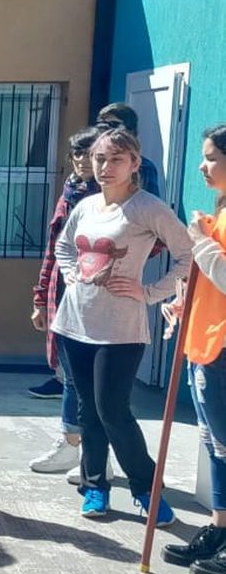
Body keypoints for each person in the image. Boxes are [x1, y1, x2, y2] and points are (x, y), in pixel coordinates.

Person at [51, 127, 191, 521]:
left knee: (113, 410)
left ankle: (147, 489)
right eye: (99, 159)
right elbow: (64, 245)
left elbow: (188, 256)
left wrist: (149, 292)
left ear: (134, 163)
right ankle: (94, 486)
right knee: (87, 410)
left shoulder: (148, 208)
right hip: (73, 323)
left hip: (121, 330)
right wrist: (70, 273)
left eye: (116, 159)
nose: (105, 167)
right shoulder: (88, 205)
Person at [161, 123, 226, 574]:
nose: (202, 166)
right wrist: (185, 300)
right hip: (203, 341)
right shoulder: (220, 211)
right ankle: (220, 529)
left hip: (222, 347)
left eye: (210, 157)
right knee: (215, 446)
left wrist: (200, 241)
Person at [27, 126, 101, 474]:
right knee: (70, 376)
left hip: (102, 299)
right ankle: (73, 446)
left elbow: (155, 242)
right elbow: (53, 248)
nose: (85, 161)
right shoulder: (70, 192)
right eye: (79, 154)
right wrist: (41, 297)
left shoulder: (115, 199)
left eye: (92, 154)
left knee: (95, 381)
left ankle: (95, 452)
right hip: (64, 293)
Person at [97, 103, 162, 198]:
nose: (105, 129)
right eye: (101, 124)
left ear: (130, 129)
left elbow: (150, 205)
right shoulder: (89, 160)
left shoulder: (144, 167)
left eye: (112, 124)